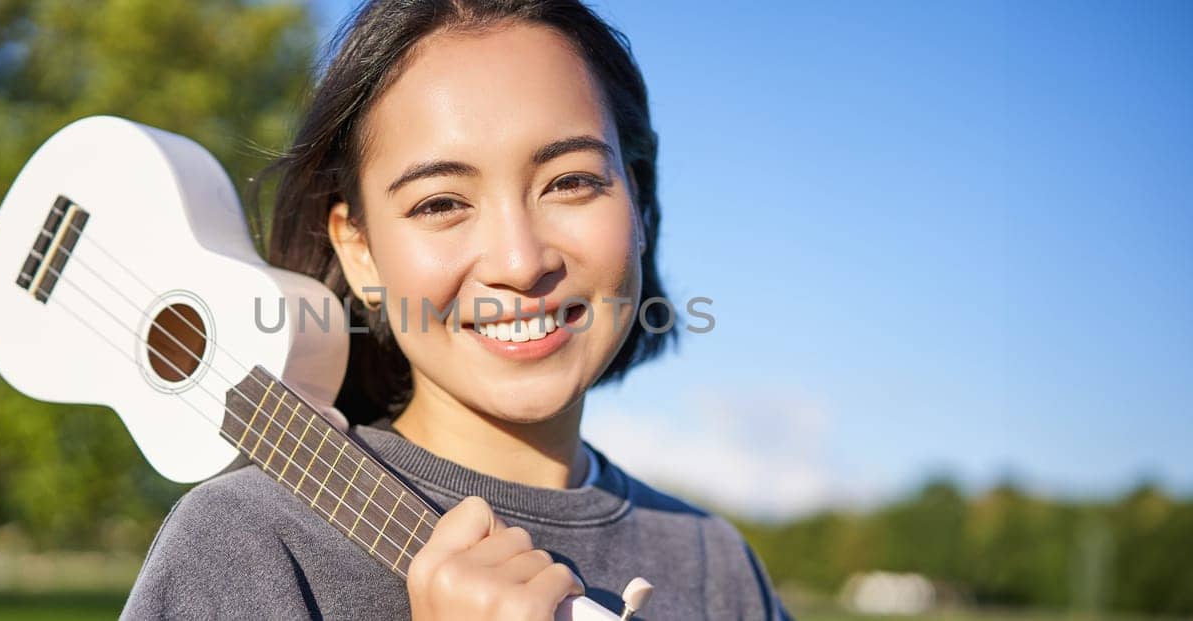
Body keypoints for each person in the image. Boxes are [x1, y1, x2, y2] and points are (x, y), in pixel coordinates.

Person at [124, 1, 791, 618]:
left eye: (570, 182)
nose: (520, 261)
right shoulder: (246, 542)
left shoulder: (716, 564)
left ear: (638, 207)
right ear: (360, 251)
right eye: (440, 203)